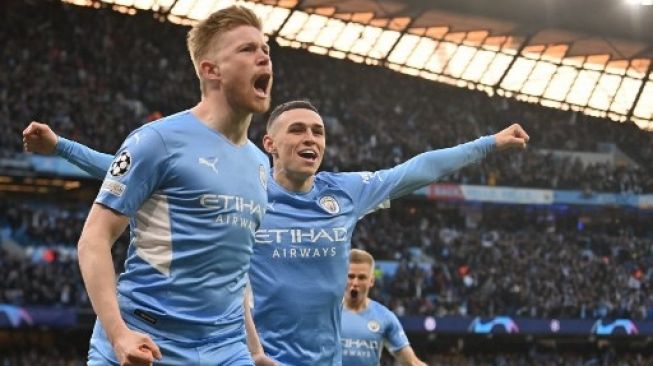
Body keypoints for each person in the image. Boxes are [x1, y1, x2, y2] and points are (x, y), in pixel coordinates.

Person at [24, 100, 529, 365]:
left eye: (319, 132)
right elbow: (125, 171)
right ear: (269, 142)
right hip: (252, 356)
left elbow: (419, 169)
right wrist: (62, 146)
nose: (311, 139)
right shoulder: (244, 184)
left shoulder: (346, 192)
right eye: (298, 130)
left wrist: (489, 143)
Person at [26, 6, 275, 366]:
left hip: (225, 348)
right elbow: (93, 238)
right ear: (211, 70)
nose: (264, 55)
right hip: (146, 341)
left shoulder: (259, 163)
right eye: (247, 49)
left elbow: (235, 273)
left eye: (266, 48)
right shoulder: (158, 141)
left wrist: (254, 352)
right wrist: (118, 335)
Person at [341, 249, 427, 366]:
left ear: (371, 281)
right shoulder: (324, 313)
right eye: (350, 276)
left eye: (361, 278)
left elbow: (412, 362)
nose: (355, 282)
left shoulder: (384, 317)